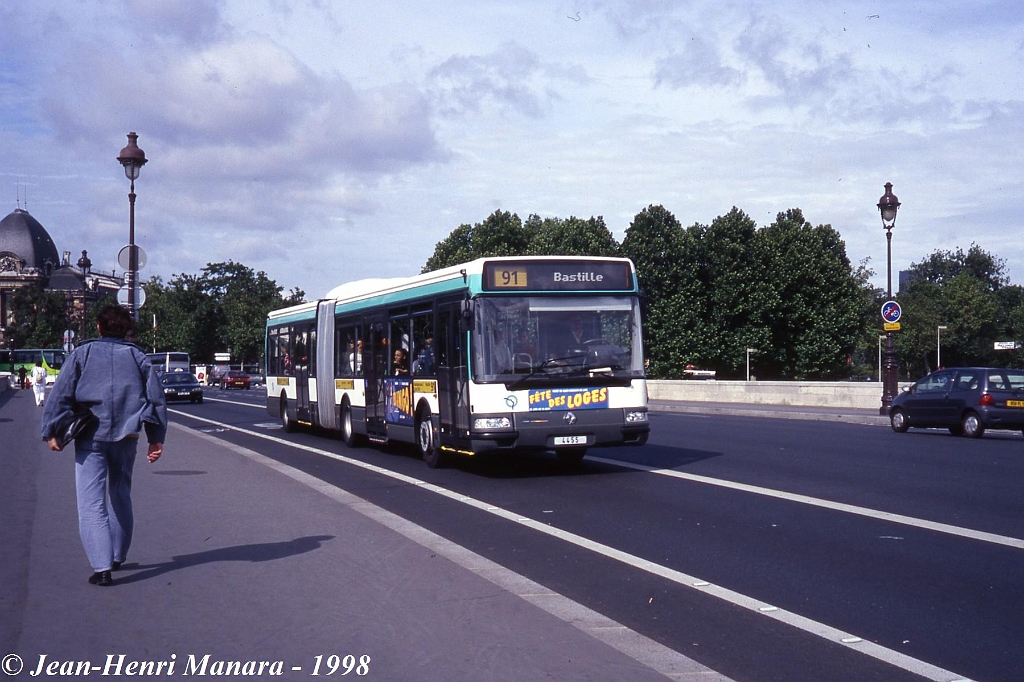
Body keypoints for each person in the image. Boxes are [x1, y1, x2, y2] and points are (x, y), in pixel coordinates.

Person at [40, 305, 167, 587]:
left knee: (91, 503)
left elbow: (60, 395)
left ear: (98, 327)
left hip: (90, 437)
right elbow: (156, 400)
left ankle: (102, 567)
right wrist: (155, 438)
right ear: (126, 330)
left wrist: (51, 431)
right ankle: (118, 555)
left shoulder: (82, 354)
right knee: (121, 494)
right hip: (127, 436)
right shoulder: (139, 358)